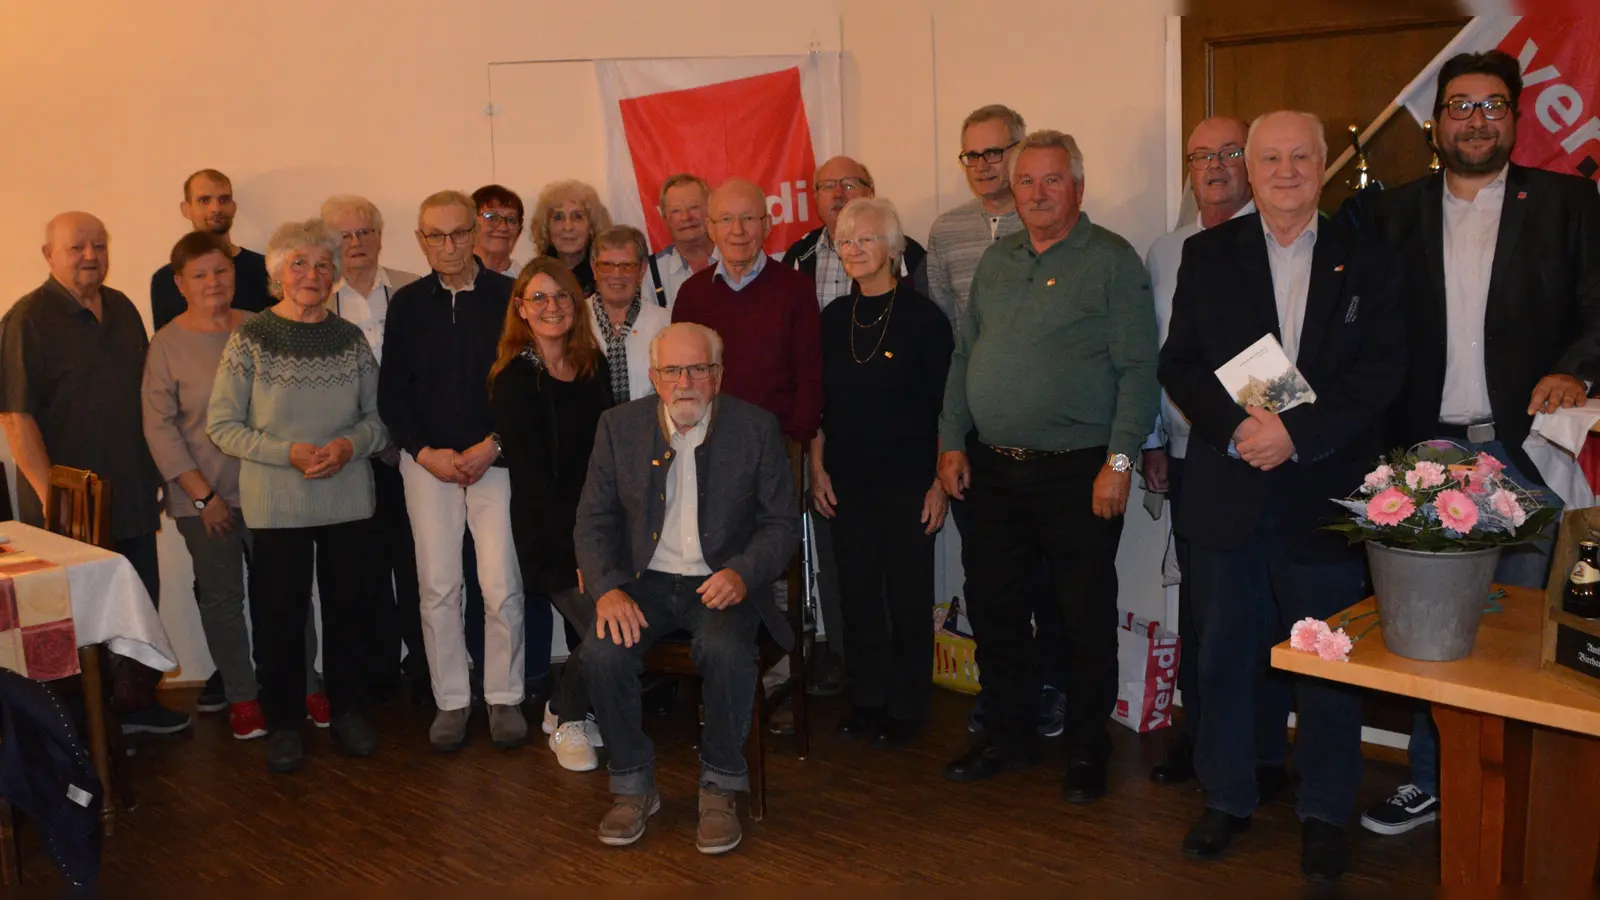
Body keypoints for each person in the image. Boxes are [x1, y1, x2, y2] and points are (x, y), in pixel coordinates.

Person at [1158, 111, 1407, 881]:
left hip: (1322, 498)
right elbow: (1182, 364)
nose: (1286, 170)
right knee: (1223, 659)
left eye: (1302, 156)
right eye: (1271, 157)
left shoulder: (1369, 256)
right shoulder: (1208, 254)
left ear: (1325, 164)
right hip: (1228, 491)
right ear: (1250, 167)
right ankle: (1228, 796)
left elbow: (1380, 377)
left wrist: (1295, 435)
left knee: (1325, 667)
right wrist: (1239, 430)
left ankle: (1325, 811)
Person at [1360, 49, 1600, 838]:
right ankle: (1435, 782)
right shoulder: (1391, 215)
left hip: (1527, 455)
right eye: (1459, 105)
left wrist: (1573, 370)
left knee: (1525, 636)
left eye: (1492, 104)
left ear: (1516, 116)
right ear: (1436, 123)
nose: (1475, 119)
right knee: (1434, 636)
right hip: (1425, 460)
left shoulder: (1568, 204)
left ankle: (1527, 799)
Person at [937, 131, 1159, 805]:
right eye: (1026, 180)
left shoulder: (1112, 260)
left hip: (1079, 472)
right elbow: (964, 355)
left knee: (1081, 614)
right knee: (997, 609)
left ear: (1078, 188)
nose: (1036, 193)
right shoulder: (1001, 261)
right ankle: (1009, 734)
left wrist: (1120, 461)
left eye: (1051, 180)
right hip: (992, 472)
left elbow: (1138, 370)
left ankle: (1088, 749)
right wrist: (951, 440)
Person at [575, 322, 798, 854]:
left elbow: (782, 525)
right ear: (654, 377)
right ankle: (633, 785)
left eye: (699, 368)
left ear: (718, 376)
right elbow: (592, 521)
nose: (686, 381)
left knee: (725, 650)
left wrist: (743, 572)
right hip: (642, 582)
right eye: (673, 370)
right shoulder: (617, 427)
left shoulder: (756, 428)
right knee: (601, 653)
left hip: (720, 582)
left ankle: (720, 784)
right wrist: (606, 587)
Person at [206, 218, 388, 773]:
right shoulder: (252, 338)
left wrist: (345, 445)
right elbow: (222, 425)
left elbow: (379, 422)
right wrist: (285, 452)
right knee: (279, 617)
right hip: (276, 504)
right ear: (278, 273)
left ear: (336, 276)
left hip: (347, 499)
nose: (313, 275)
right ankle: (284, 721)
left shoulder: (350, 340)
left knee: (349, 611)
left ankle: (349, 711)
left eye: (324, 265)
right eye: (300, 264)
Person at [0, 212, 189, 736]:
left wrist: (155, 473)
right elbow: (15, 420)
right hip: (67, 511)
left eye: (98, 245)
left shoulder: (125, 309)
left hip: (128, 492)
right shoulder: (27, 319)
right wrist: (52, 504)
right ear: (49, 255)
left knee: (137, 603)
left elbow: (150, 400)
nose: (90, 255)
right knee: (80, 621)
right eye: (76, 246)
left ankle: (135, 707)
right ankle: (91, 729)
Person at [1142, 117, 1288, 792]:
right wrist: (1153, 442)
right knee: (1206, 616)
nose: (1216, 165)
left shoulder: (1279, 240)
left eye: (1231, 152)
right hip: (1190, 451)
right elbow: (1162, 357)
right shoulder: (1170, 250)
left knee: (1270, 613)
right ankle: (1203, 744)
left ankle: (1266, 753)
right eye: (1202, 155)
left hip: (1275, 449)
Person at [143, 232, 324, 741]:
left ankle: (305, 684)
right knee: (223, 600)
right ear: (180, 283)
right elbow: (159, 427)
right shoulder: (167, 345)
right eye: (199, 275)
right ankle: (244, 698)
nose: (212, 283)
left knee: (288, 596)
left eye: (220, 271)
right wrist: (203, 496)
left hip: (274, 495)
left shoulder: (263, 328)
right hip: (204, 502)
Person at [926, 103, 1068, 737]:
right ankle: (1001, 688)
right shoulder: (946, 231)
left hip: (1046, 436)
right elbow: (942, 337)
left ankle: (1050, 686)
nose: (984, 165)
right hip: (974, 432)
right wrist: (948, 436)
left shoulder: (1048, 221)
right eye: (972, 155)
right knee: (989, 578)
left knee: (1048, 576)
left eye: (995, 152)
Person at [379, 190, 526, 752]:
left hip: (496, 458)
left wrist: (493, 444)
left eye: (459, 232)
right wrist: (423, 453)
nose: (448, 245)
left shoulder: (511, 297)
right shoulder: (408, 303)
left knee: (499, 583)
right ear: (420, 240)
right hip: (428, 464)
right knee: (439, 586)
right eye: (435, 235)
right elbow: (392, 394)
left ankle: (505, 697)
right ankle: (452, 701)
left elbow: (523, 384)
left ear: (477, 233)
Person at [810, 198, 951, 746]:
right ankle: (866, 697)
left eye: (866, 239)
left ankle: (909, 704)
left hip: (910, 482)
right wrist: (818, 469)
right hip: (846, 480)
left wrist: (940, 481)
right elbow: (818, 406)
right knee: (857, 593)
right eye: (846, 240)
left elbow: (947, 407)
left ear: (893, 249)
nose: (854, 249)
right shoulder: (832, 319)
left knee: (908, 596)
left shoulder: (924, 319)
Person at [489, 258, 613, 772]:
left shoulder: (592, 366)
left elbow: (606, 456)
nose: (552, 307)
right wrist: (578, 549)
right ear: (521, 308)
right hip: (550, 533)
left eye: (561, 296)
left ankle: (565, 704)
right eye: (538, 298)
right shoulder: (515, 378)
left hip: (600, 526)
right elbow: (533, 477)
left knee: (616, 624)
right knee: (605, 628)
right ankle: (568, 716)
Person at [320, 194, 427, 703]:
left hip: (412, 453)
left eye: (365, 232)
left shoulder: (411, 288)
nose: (357, 243)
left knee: (418, 564)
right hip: (353, 457)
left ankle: (426, 668)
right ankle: (378, 670)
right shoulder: (318, 301)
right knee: (362, 569)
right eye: (345, 234)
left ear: (381, 237)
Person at [672, 178, 822, 446]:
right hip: (707, 444)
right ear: (711, 228)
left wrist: (798, 438)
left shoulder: (796, 288)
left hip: (778, 444)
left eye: (748, 218)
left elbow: (810, 371)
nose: (737, 230)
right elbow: (680, 376)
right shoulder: (691, 294)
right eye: (726, 219)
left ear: (767, 225)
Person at [781, 156, 927, 307]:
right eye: (828, 186)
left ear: (871, 193)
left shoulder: (907, 254)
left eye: (849, 185)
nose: (837, 194)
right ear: (815, 197)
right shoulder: (798, 256)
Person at [150, 169, 271, 331]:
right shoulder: (166, 280)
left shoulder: (265, 269)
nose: (216, 208)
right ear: (186, 209)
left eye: (224, 199)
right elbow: (167, 346)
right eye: (204, 200)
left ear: (233, 207)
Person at [587, 225, 671, 403]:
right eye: (607, 265)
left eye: (627, 265)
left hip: (649, 426)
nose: (617, 274)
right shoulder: (574, 319)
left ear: (642, 270)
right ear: (594, 269)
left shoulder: (665, 323)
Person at [643, 173, 716, 312]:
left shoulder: (735, 259)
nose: (686, 217)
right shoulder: (651, 274)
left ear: (711, 210)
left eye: (694, 207)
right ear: (665, 218)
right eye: (676, 211)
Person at [533, 180, 612, 297]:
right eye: (558, 217)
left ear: (592, 226)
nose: (568, 227)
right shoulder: (533, 277)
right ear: (546, 227)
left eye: (578, 217)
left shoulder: (609, 278)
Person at [473, 184, 528, 278]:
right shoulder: (452, 280)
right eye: (492, 217)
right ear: (471, 224)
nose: (503, 227)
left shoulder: (526, 283)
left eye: (511, 219)